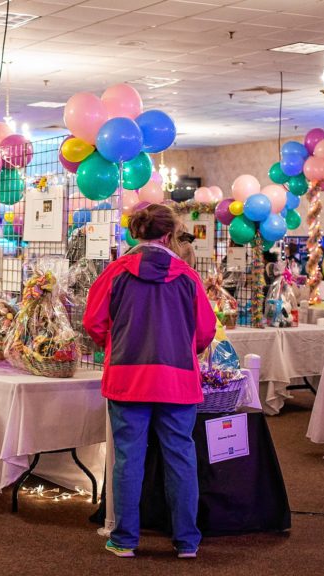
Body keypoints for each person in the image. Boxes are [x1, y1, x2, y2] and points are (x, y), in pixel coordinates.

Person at [83, 203, 216, 560]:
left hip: (128, 378)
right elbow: (205, 330)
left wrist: (116, 342)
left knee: (127, 459)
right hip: (178, 381)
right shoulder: (187, 276)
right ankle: (187, 541)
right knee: (181, 457)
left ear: (135, 233)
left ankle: (125, 539)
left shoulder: (114, 273)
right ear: (170, 235)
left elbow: (93, 323)